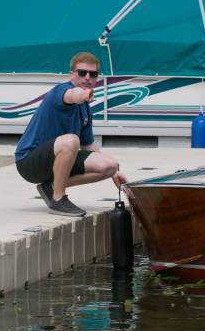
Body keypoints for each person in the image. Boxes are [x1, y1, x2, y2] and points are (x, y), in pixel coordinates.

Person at [15, 52, 127, 217]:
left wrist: (115, 174)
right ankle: (58, 199)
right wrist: (82, 94)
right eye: (82, 73)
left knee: (110, 165)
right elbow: (72, 96)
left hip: (58, 159)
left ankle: (51, 187)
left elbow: (88, 145)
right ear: (71, 74)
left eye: (93, 74)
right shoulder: (61, 91)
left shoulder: (86, 110)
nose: (88, 77)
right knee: (71, 141)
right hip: (29, 163)